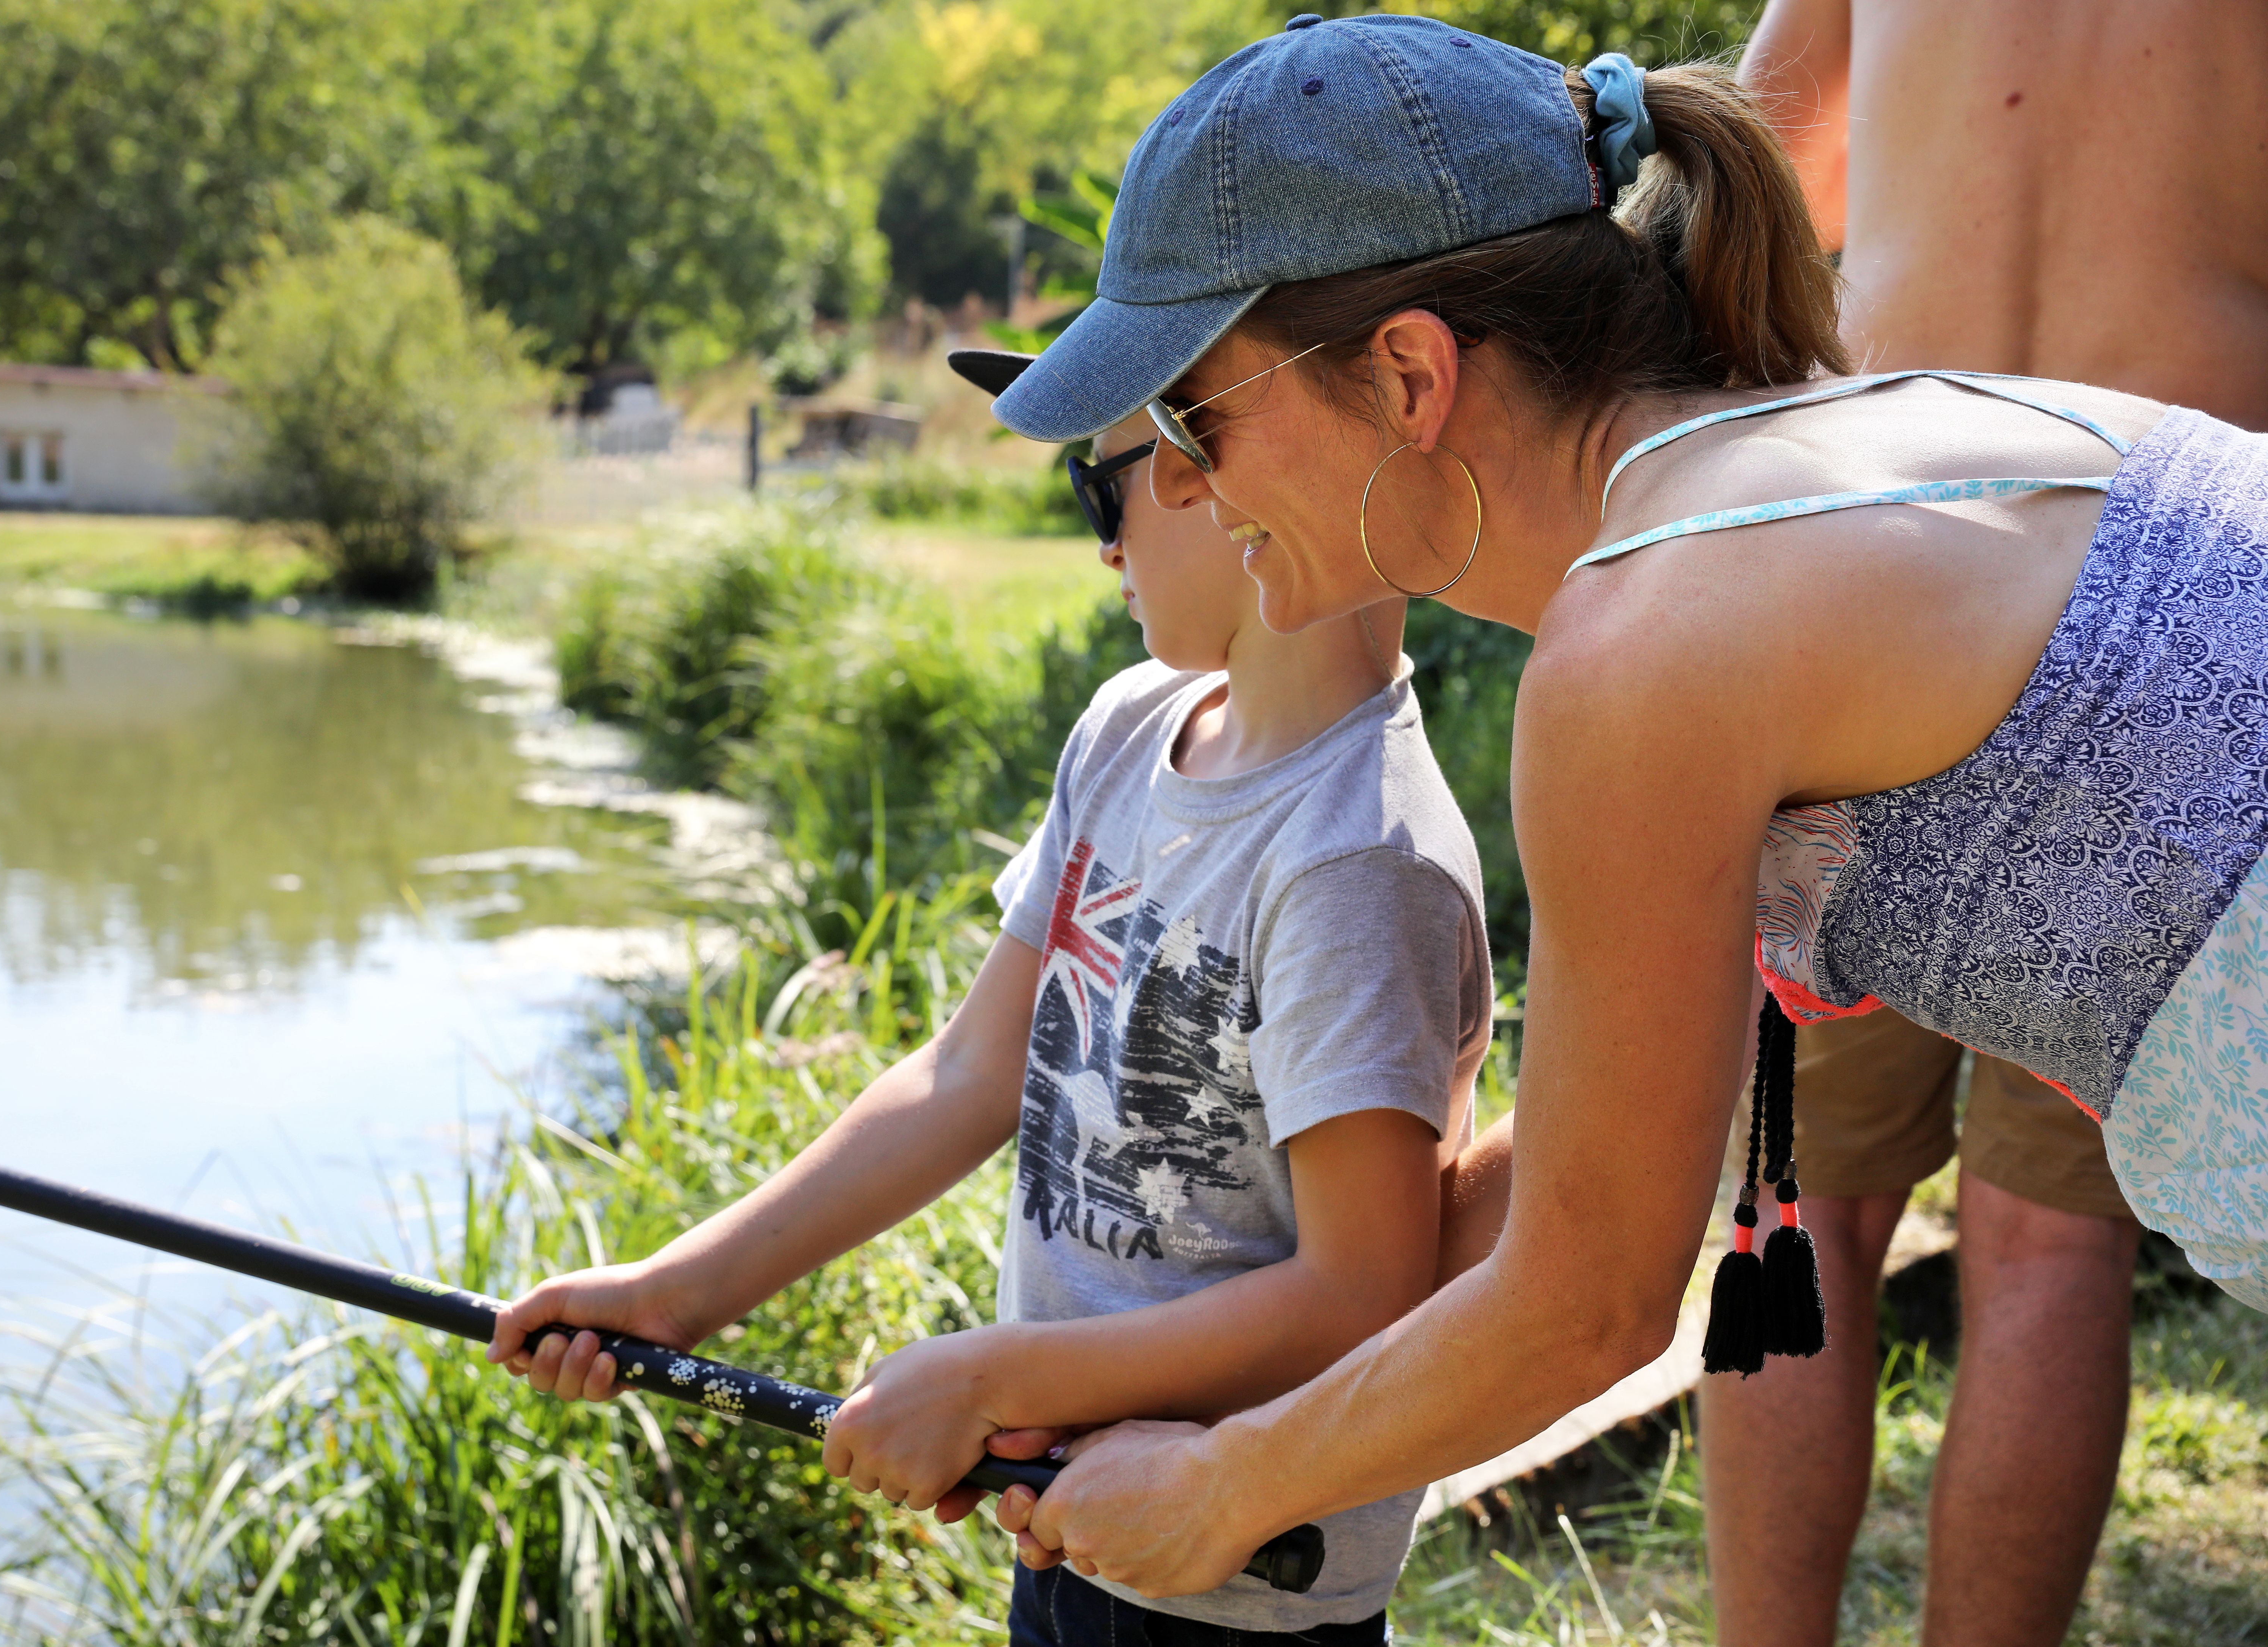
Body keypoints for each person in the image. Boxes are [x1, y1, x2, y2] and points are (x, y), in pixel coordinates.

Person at [963, 10, 2268, 1605]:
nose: (1182, 484)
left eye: (1196, 415)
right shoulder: (1792, 462)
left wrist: (1225, 1487)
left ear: (1407, 372)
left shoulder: (1642, 644)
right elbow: (1608, 1145)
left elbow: (1585, 1305)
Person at [487, 349, 1499, 1644]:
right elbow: (967, 1075)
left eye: (1099, 490)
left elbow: (1359, 1294)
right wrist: (679, 1294)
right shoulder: (1131, 729)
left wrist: (991, 1376)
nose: (1101, 546)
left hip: (1242, 1581)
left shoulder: (1358, 860)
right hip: (1071, 1531)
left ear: (1204, 475)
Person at [1700, 5, 2268, 1641]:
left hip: (1872, 557)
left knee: (1789, 1208)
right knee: (2042, 1251)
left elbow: (1752, 167)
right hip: (2168, 605)